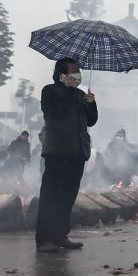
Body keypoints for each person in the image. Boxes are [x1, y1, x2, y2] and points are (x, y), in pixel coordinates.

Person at [36, 58, 97, 252]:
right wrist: (69, 92)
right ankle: (44, 239)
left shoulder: (80, 94)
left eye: (78, 71)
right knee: (51, 196)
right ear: (62, 73)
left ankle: (60, 235)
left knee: (67, 197)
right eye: (74, 71)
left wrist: (91, 104)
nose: (78, 74)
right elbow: (55, 113)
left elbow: (91, 121)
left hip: (78, 152)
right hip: (58, 150)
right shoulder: (49, 91)